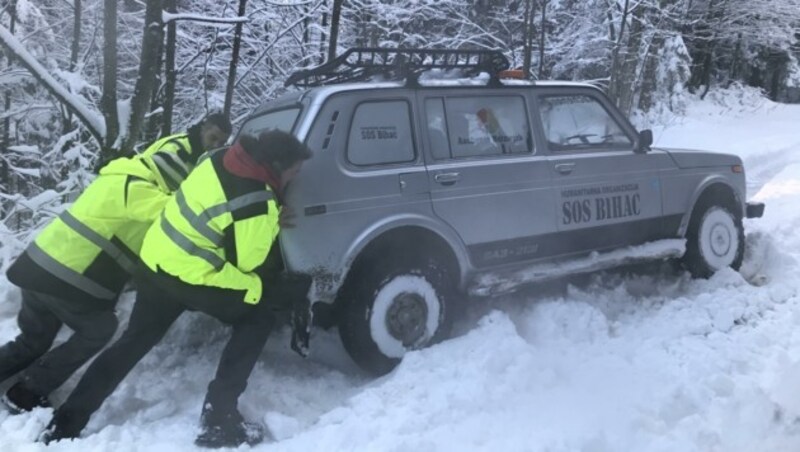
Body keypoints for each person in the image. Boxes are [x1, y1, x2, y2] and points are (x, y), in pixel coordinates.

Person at [42, 130, 313, 448]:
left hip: (156, 263)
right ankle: (219, 420)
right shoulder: (257, 202)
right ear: (277, 165)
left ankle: (65, 423)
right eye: (294, 171)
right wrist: (270, 225)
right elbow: (245, 267)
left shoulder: (218, 158)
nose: (296, 177)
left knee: (131, 343)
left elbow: (217, 212)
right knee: (257, 316)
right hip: (192, 277)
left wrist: (264, 211)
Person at [0, 113, 231, 413]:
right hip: (67, 276)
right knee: (99, 328)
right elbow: (183, 221)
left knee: (34, 339)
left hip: (37, 266)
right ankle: (27, 392)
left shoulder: (121, 174)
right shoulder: (144, 192)